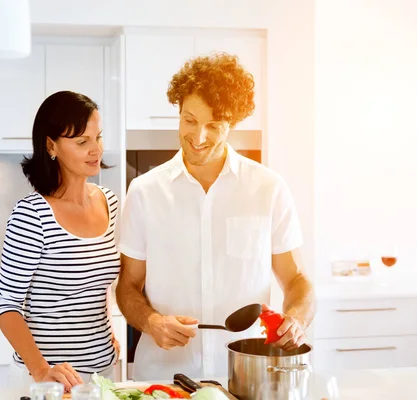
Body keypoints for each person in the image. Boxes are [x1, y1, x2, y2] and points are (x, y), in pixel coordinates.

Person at [116, 53, 315, 381]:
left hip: (245, 374)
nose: (199, 137)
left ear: (232, 123)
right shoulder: (143, 191)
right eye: (189, 120)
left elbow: (298, 281)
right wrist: (151, 322)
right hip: (164, 377)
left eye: (213, 125)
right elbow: (128, 285)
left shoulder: (268, 188)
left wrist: (296, 318)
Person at [0, 91, 121, 391]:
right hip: (51, 379)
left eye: (98, 137)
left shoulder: (110, 203)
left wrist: (108, 336)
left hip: (104, 372)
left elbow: (96, 288)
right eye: (82, 142)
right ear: (51, 145)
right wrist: (41, 370)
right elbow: (7, 305)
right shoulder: (32, 214)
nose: (96, 150)